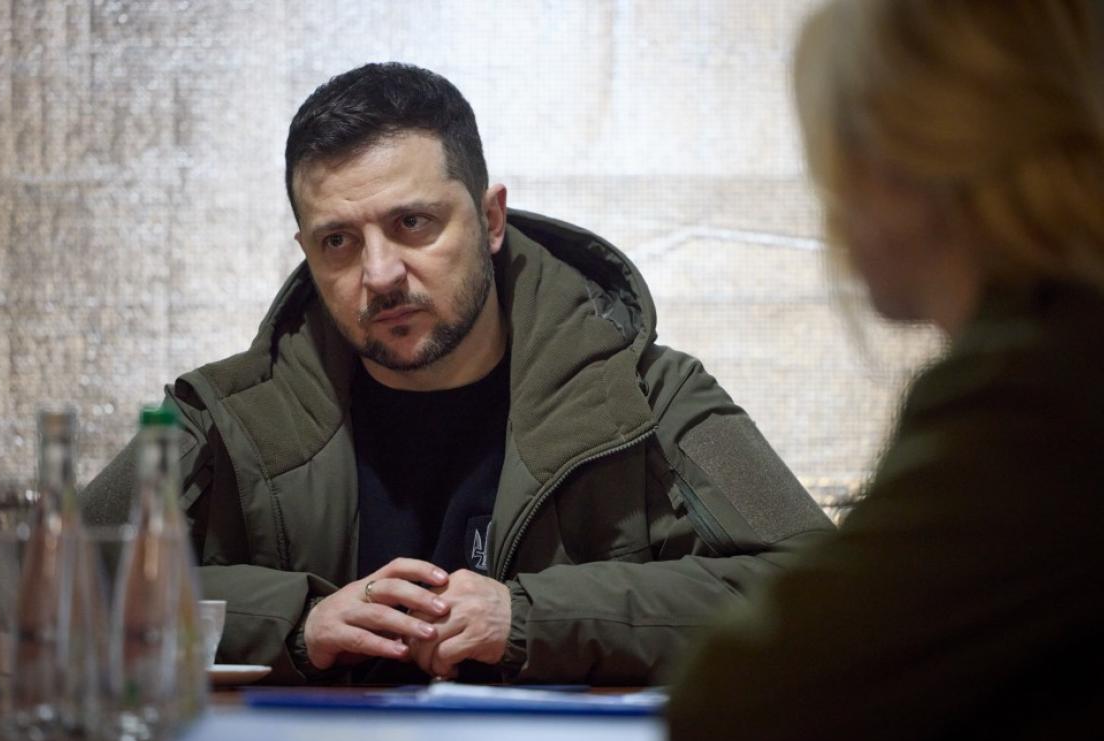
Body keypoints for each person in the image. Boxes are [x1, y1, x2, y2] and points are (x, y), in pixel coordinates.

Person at [82, 62, 832, 685]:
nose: (379, 273)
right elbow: (58, 581)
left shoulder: (649, 396)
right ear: (306, 249)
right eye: (338, 241)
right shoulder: (218, 415)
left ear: (491, 219)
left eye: (413, 223)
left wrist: (531, 618)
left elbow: (817, 589)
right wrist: (296, 623)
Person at [668, 0, 1104, 741]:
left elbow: (742, 708)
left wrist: (525, 613)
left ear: (901, 167)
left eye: (835, 162)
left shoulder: (1033, 394)